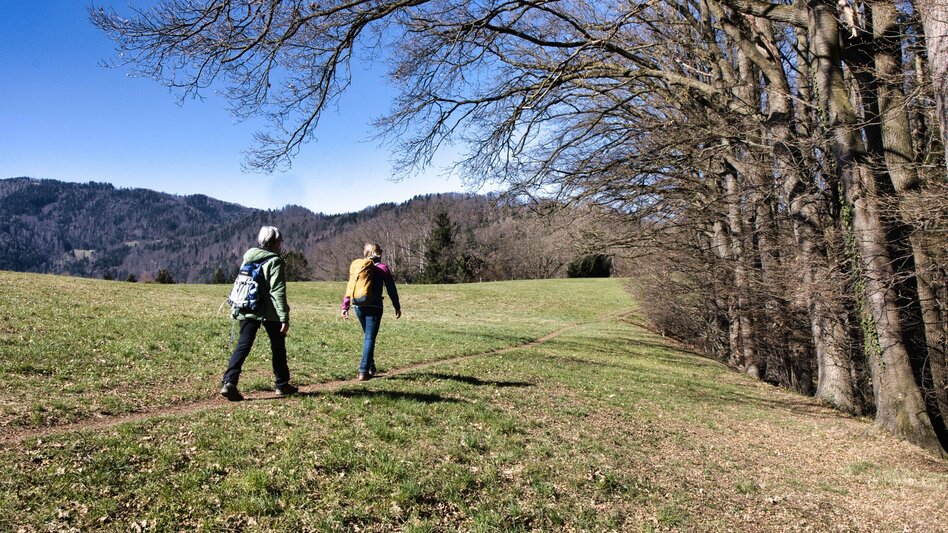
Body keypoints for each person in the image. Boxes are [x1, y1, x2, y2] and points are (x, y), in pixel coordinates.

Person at [220, 226, 298, 401]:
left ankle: (229, 382)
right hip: (269, 311)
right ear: (274, 242)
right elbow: (277, 291)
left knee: (243, 344)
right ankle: (282, 384)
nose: (281, 244)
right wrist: (284, 317)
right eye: (280, 241)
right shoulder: (275, 261)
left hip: (246, 306)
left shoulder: (248, 257)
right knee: (278, 346)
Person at [341, 243, 401, 381]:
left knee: (368, 336)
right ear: (378, 253)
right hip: (374, 307)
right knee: (369, 338)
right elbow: (391, 288)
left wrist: (345, 306)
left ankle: (371, 367)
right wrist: (396, 305)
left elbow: (350, 286)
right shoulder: (382, 268)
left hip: (358, 306)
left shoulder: (358, 268)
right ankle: (363, 370)